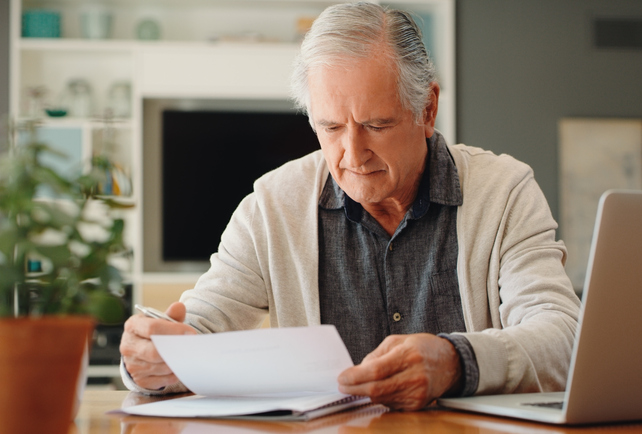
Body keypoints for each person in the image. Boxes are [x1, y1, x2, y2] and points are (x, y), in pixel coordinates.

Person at [120, 2, 580, 411]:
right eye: (331, 127)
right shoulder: (272, 207)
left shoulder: (505, 192)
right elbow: (196, 330)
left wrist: (456, 362)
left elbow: (563, 339)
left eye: (376, 125)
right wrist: (151, 360)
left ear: (427, 109)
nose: (352, 155)